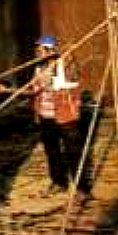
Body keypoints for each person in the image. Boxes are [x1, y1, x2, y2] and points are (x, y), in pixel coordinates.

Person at [24, 35, 90, 198]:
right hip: (46, 116)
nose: (37, 52)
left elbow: (74, 81)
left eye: (40, 49)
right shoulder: (38, 68)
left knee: (73, 152)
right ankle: (58, 182)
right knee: (52, 152)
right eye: (37, 49)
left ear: (49, 49)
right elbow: (34, 90)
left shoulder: (64, 64)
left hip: (65, 115)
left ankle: (81, 187)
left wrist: (65, 61)